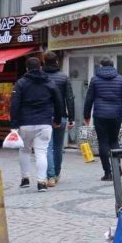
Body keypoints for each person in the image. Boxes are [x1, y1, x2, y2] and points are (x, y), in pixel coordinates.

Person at [10, 57, 63, 192]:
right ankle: (41, 182)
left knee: (24, 150)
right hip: (45, 122)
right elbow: (58, 102)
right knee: (41, 152)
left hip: (25, 123)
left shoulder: (21, 83)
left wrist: (14, 124)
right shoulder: (49, 82)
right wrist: (57, 119)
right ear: (40, 67)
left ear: (27, 69)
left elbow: (14, 104)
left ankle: (25, 179)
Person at [84, 57, 122, 181]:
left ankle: (107, 173)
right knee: (114, 141)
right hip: (116, 115)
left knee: (103, 142)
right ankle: (117, 168)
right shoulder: (121, 79)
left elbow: (89, 98)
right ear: (112, 66)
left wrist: (86, 116)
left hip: (100, 115)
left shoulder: (94, 79)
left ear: (101, 66)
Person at [42, 52, 75, 187]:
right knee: (58, 146)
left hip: (44, 116)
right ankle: (56, 173)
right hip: (61, 116)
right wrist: (71, 117)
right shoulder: (63, 77)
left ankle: (50, 176)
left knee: (48, 146)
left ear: (44, 61)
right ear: (57, 62)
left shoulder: (41, 77)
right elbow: (69, 98)